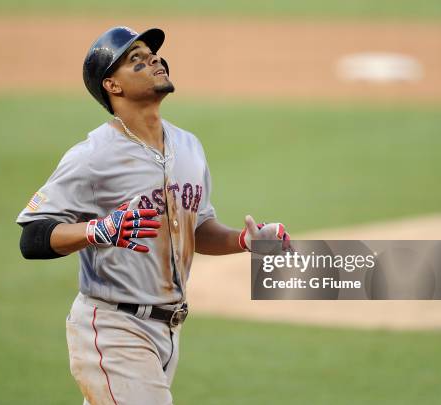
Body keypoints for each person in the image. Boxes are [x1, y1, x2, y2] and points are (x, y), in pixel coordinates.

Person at [16, 26, 290, 405]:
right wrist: (98, 230)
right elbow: (32, 237)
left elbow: (198, 229)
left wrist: (244, 241)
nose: (154, 61)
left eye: (153, 55)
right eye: (136, 60)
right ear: (112, 86)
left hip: (168, 333)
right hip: (114, 328)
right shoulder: (94, 155)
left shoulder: (188, 146)